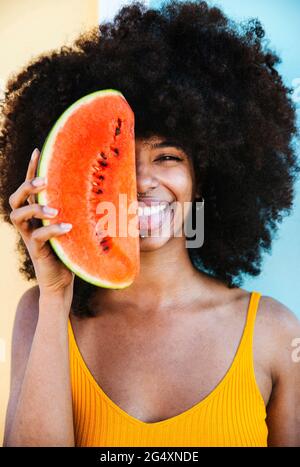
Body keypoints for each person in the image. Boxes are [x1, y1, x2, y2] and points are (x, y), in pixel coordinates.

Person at [1, 0, 300, 447]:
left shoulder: (277, 332)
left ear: (203, 178)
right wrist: (54, 295)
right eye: (115, 160)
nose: (140, 182)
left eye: (167, 156)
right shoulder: (42, 312)